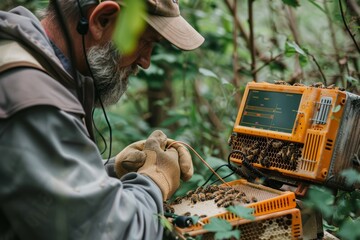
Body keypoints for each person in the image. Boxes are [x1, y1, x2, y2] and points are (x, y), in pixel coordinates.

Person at [0, 0, 204, 239]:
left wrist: (111, 170)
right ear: (102, 19)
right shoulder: (32, 99)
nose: (146, 61)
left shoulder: (16, 58)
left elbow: (38, 200)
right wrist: (154, 180)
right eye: (145, 41)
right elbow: (113, 232)